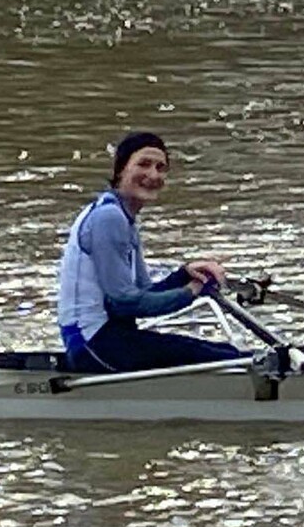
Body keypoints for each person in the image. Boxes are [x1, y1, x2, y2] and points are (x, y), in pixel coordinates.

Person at [56, 131, 244, 373]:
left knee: (227, 354)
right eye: (143, 164)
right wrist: (190, 292)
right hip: (94, 345)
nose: (154, 175)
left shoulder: (123, 218)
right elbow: (124, 303)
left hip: (110, 339)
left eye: (161, 168)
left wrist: (185, 275)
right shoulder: (108, 218)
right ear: (120, 170)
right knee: (230, 360)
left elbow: (144, 293)